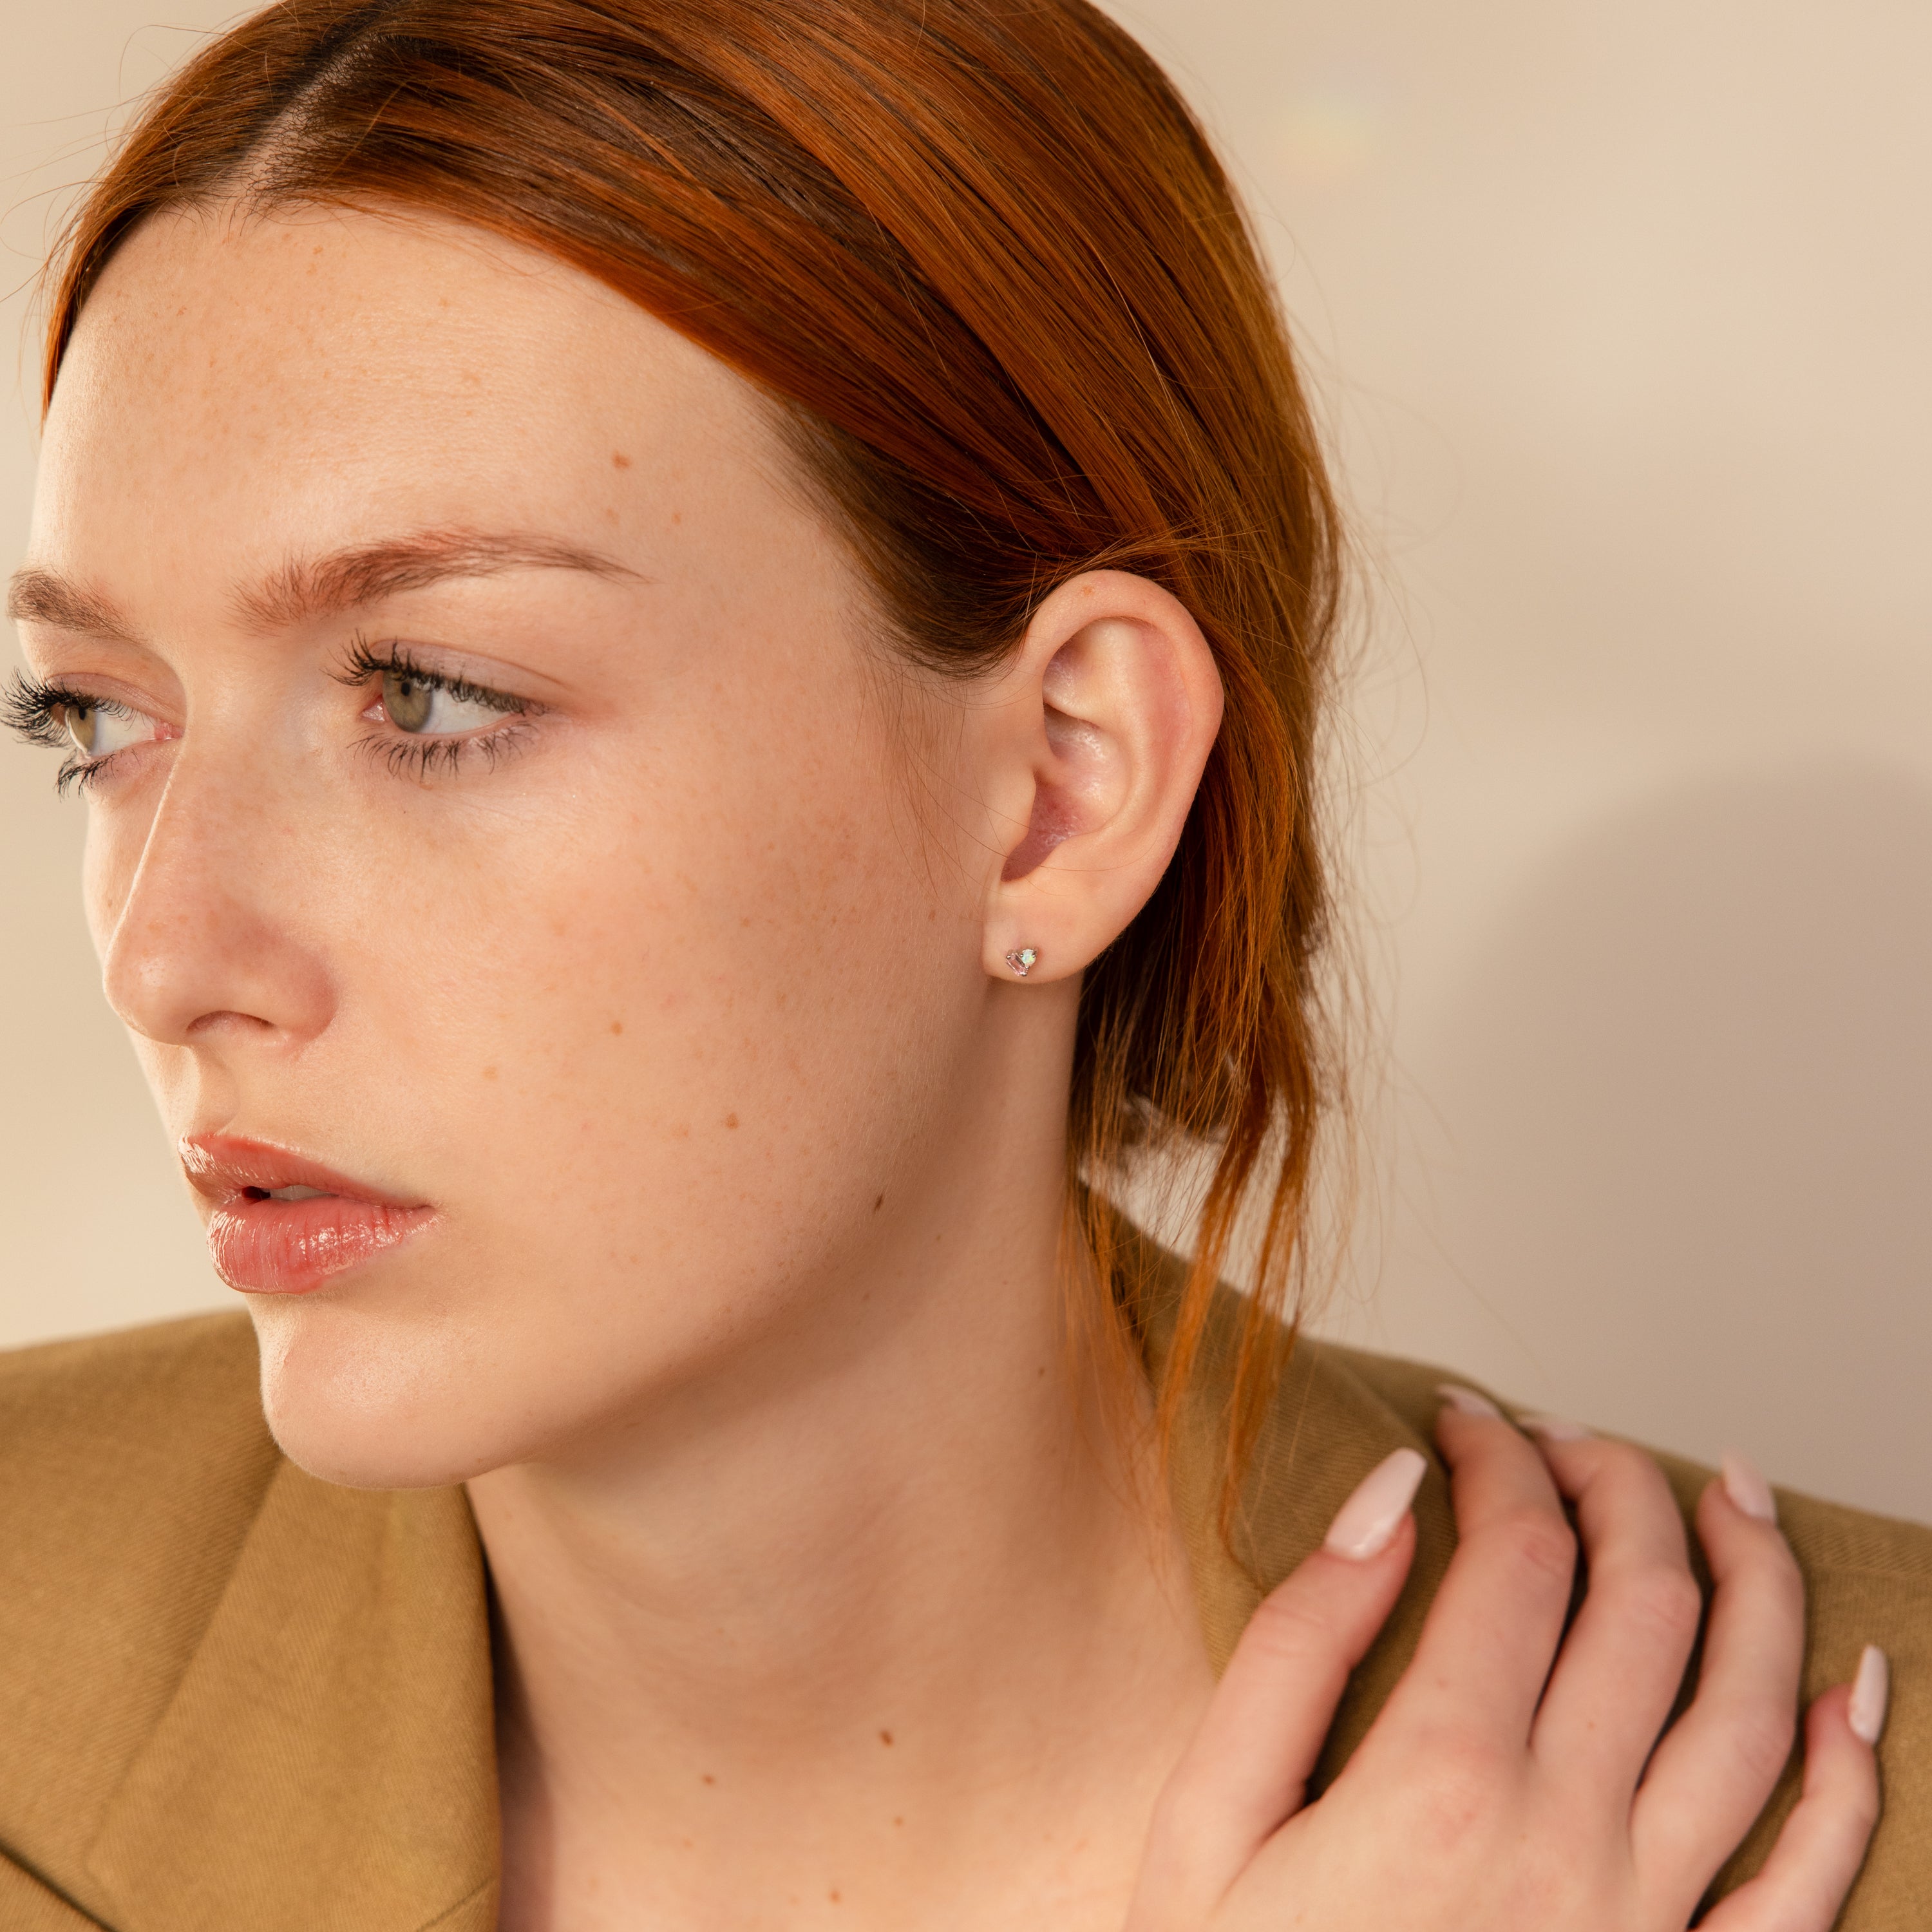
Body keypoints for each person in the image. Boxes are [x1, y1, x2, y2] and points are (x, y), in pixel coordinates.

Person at [2, 2, 1926, 1927]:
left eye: (428, 694)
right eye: (94, 718)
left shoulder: (1860, 1808)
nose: (165, 952)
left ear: (1061, 788)